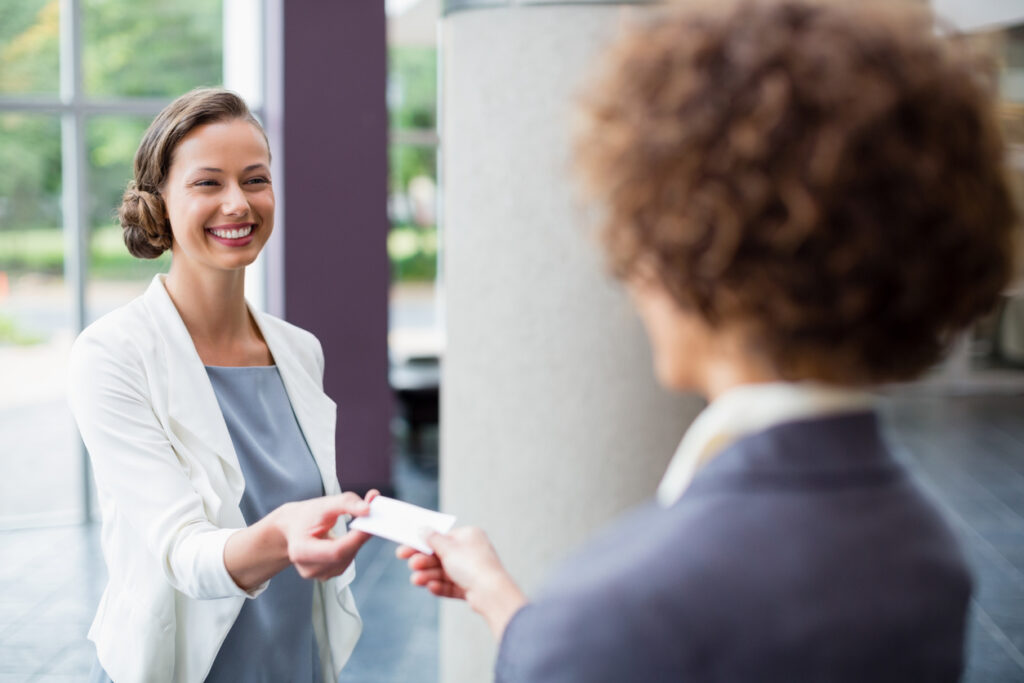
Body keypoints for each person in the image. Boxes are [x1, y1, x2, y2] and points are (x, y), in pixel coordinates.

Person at [398, 1, 1019, 681]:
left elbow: (598, 645)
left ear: (703, 253)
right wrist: (498, 595)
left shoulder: (622, 603)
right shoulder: (927, 553)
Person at [68, 88, 377, 683]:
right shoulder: (112, 355)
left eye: (255, 179)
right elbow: (183, 552)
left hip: (294, 663)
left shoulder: (298, 351)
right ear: (159, 203)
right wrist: (283, 537)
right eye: (208, 183)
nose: (238, 203)